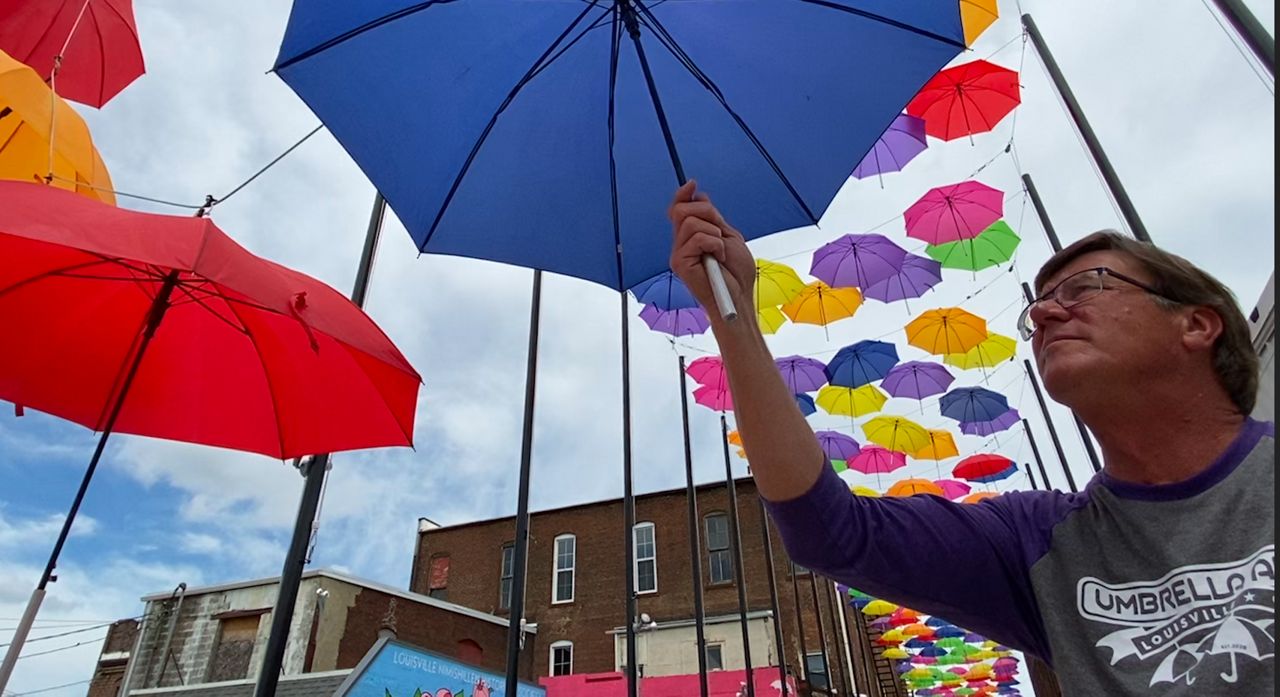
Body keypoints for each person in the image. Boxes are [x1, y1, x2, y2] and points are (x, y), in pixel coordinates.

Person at [667, 180, 1274, 695]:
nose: (1044, 313)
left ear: (1197, 324)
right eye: (1039, 305)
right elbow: (831, 532)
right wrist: (735, 312)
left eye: (1087, 287)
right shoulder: (1036, 542)